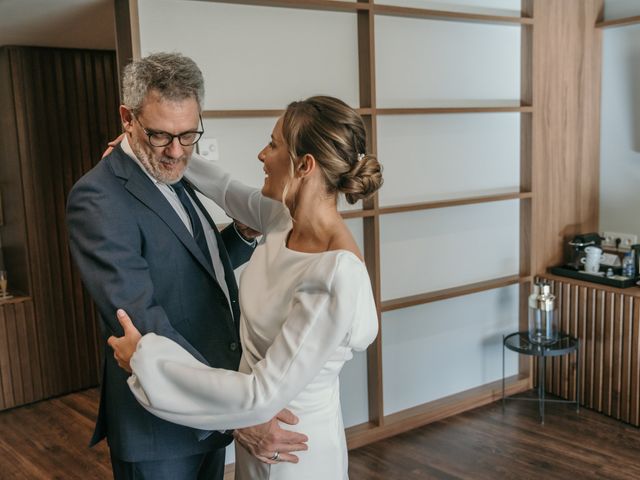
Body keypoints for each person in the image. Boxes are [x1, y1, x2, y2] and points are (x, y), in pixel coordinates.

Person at [108, 95, 383, 479]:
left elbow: (261, 395)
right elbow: (224, 187)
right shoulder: (281, 220)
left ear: (304, 165)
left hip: (291, 448)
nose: (261, 154)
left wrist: (146, 359)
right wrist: (155, 154)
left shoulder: (334, 275)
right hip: (255, 438)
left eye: (273, 145)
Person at [66, 52, 307, 480]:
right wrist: (237, 416)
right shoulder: (99, 198)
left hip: (209, 405)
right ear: (127, 118)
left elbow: (194, 270)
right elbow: (141, 319)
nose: (177, 152)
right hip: (159, 427)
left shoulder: (177, 172)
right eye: (160, 136)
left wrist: (242, 236)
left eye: (188, 134)